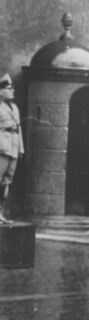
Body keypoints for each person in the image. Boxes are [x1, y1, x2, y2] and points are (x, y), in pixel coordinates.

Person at [0, 74, 23, 223]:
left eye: (12, 88)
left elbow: (18, 128)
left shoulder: (14, 107)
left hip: (13, 147)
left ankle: (0, 213)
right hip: (2, 146)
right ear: (1, 91)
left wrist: (21, 148)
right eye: (9, 88)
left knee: (6, 181)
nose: (12, 90)